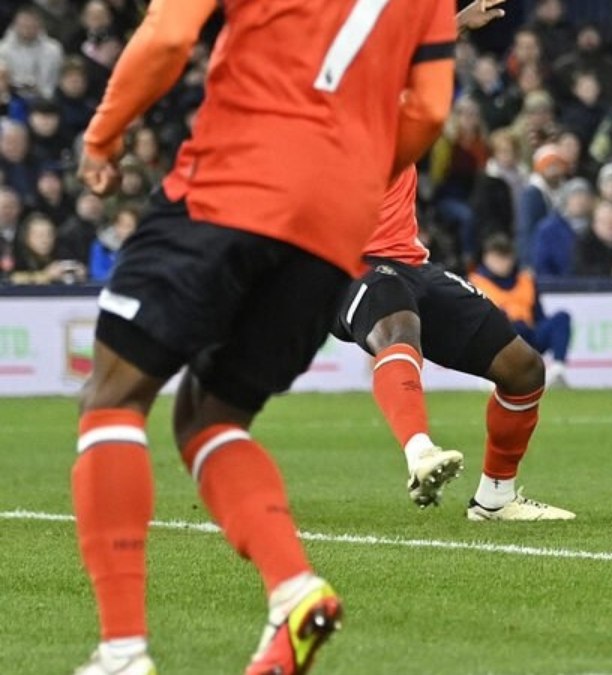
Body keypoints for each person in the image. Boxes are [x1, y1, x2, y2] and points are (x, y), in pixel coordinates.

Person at [68, 0, 455, 673]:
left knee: (112, 396)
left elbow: (167, 37)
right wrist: (343, 176)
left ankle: (123, 652)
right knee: (210, 416)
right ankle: (294, 589)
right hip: (335, 224)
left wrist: (102, 137)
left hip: (233, 179)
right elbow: (427, 110)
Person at [331, 0, 573, 523]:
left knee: (524, 369)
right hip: (344, 263)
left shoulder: (387, 81)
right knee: (398, 328)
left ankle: (495, 498)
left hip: (409, 261)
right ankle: (419, 451)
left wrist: (455, 23)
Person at [469, 234, 574, 390]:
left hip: (528, 335)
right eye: (497, 257)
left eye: (506, 257)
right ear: (486, 258)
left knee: (561, 318)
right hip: (499, 341)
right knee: (504, 323)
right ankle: (493, 374)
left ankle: (558, 370)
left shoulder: (526, 280)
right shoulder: (475, 283)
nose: (502, 263)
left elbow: (539, 315)